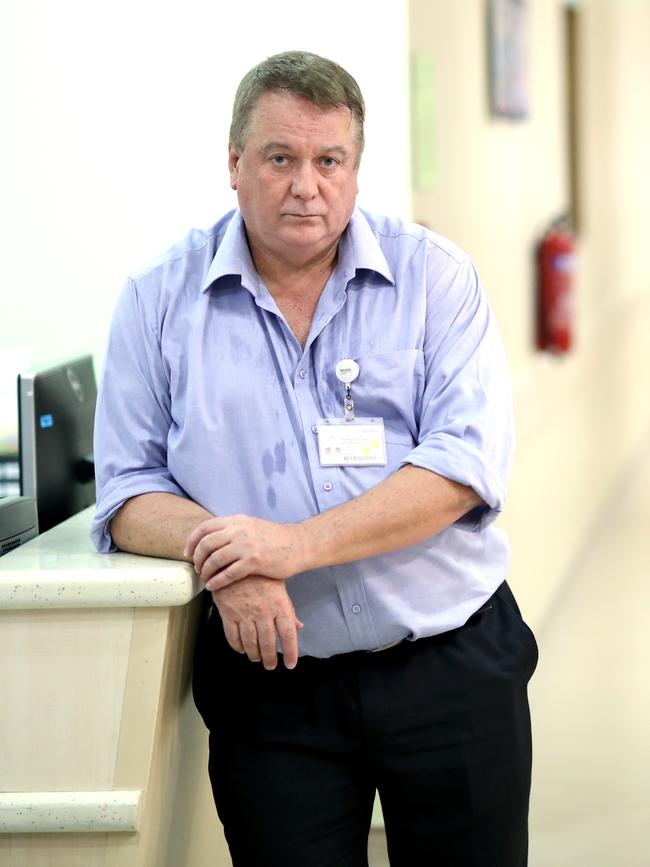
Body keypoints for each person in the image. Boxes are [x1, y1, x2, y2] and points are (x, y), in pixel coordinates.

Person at [92, 50, 537, 867]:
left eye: (329, 160)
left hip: (450, 666)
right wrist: (237, 557)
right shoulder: (158, 298)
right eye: (280, 158)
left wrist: (289, 546)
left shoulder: (436, 278)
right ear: (234, 165)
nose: (307, 185)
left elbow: (461, 467)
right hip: (274, 688)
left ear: (356, 170)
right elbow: (126, 491)